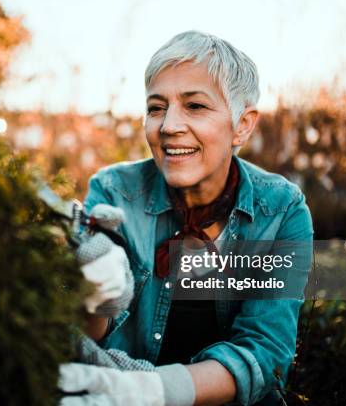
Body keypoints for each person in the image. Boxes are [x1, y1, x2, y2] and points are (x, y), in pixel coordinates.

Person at [59, 30, 314, 406]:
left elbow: (265, 350)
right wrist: (96, 299)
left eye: (195, 106)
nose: (168, 126)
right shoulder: (114, 193)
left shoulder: (281, 212)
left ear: (242, 124)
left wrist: (152, 390)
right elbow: (88, 336)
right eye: (156, 107)